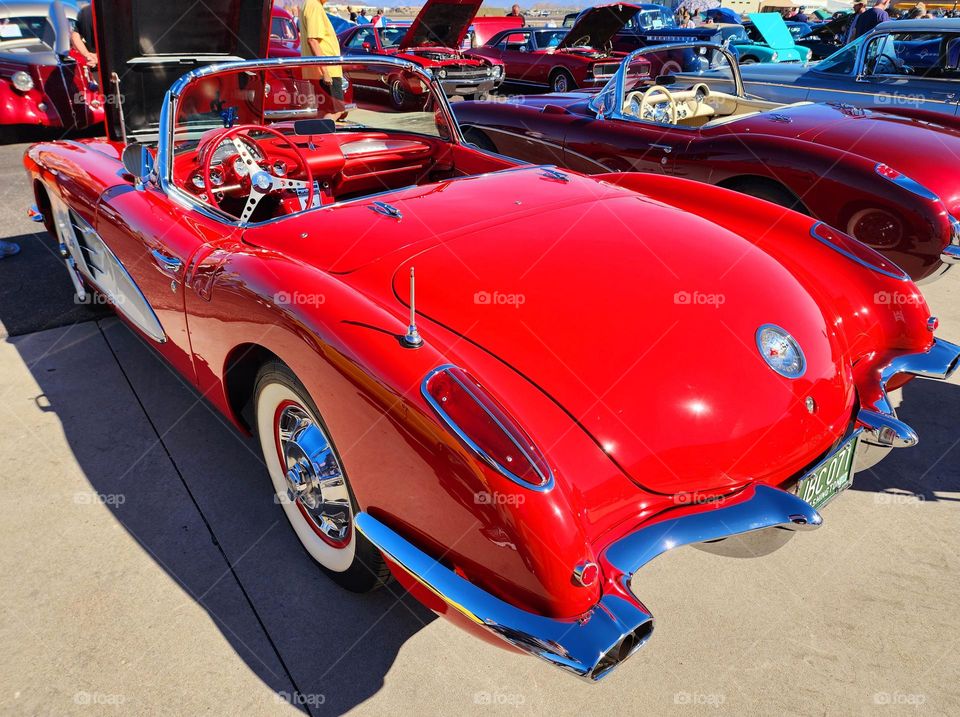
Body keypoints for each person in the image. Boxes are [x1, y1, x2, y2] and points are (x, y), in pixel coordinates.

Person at [300, 0, 344, 118]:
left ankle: (317, 134)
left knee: (323, 110)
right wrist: (325, 72)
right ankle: (324, 134)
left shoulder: (309, 4)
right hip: (326, 70)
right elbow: (312, 40)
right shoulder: (314, 5)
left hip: (318, 70)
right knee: (337, 110)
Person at [70, 3, 97, 69]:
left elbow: (75, 36)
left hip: (95, 66)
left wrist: (87, 55)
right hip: (119, 65)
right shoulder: (119, 10)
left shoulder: (85, 11)